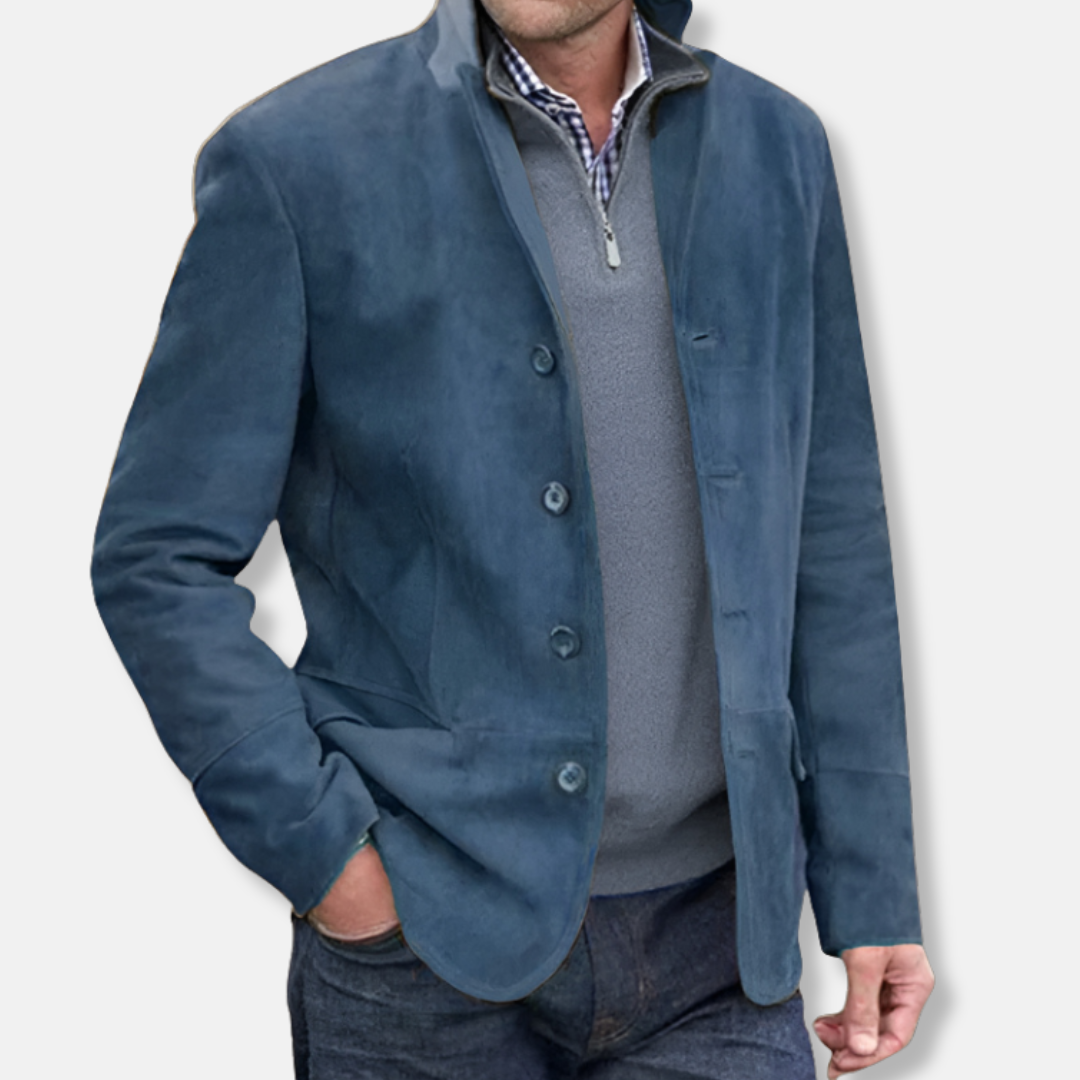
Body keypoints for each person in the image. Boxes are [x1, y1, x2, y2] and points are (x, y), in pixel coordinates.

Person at [90, 0, 934, 1076]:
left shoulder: (778, 149)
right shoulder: (297, 158)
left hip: (720, 951)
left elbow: (833, 537)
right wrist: (329, 861)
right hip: (422, 953)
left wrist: (870, 888)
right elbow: (157, 556)